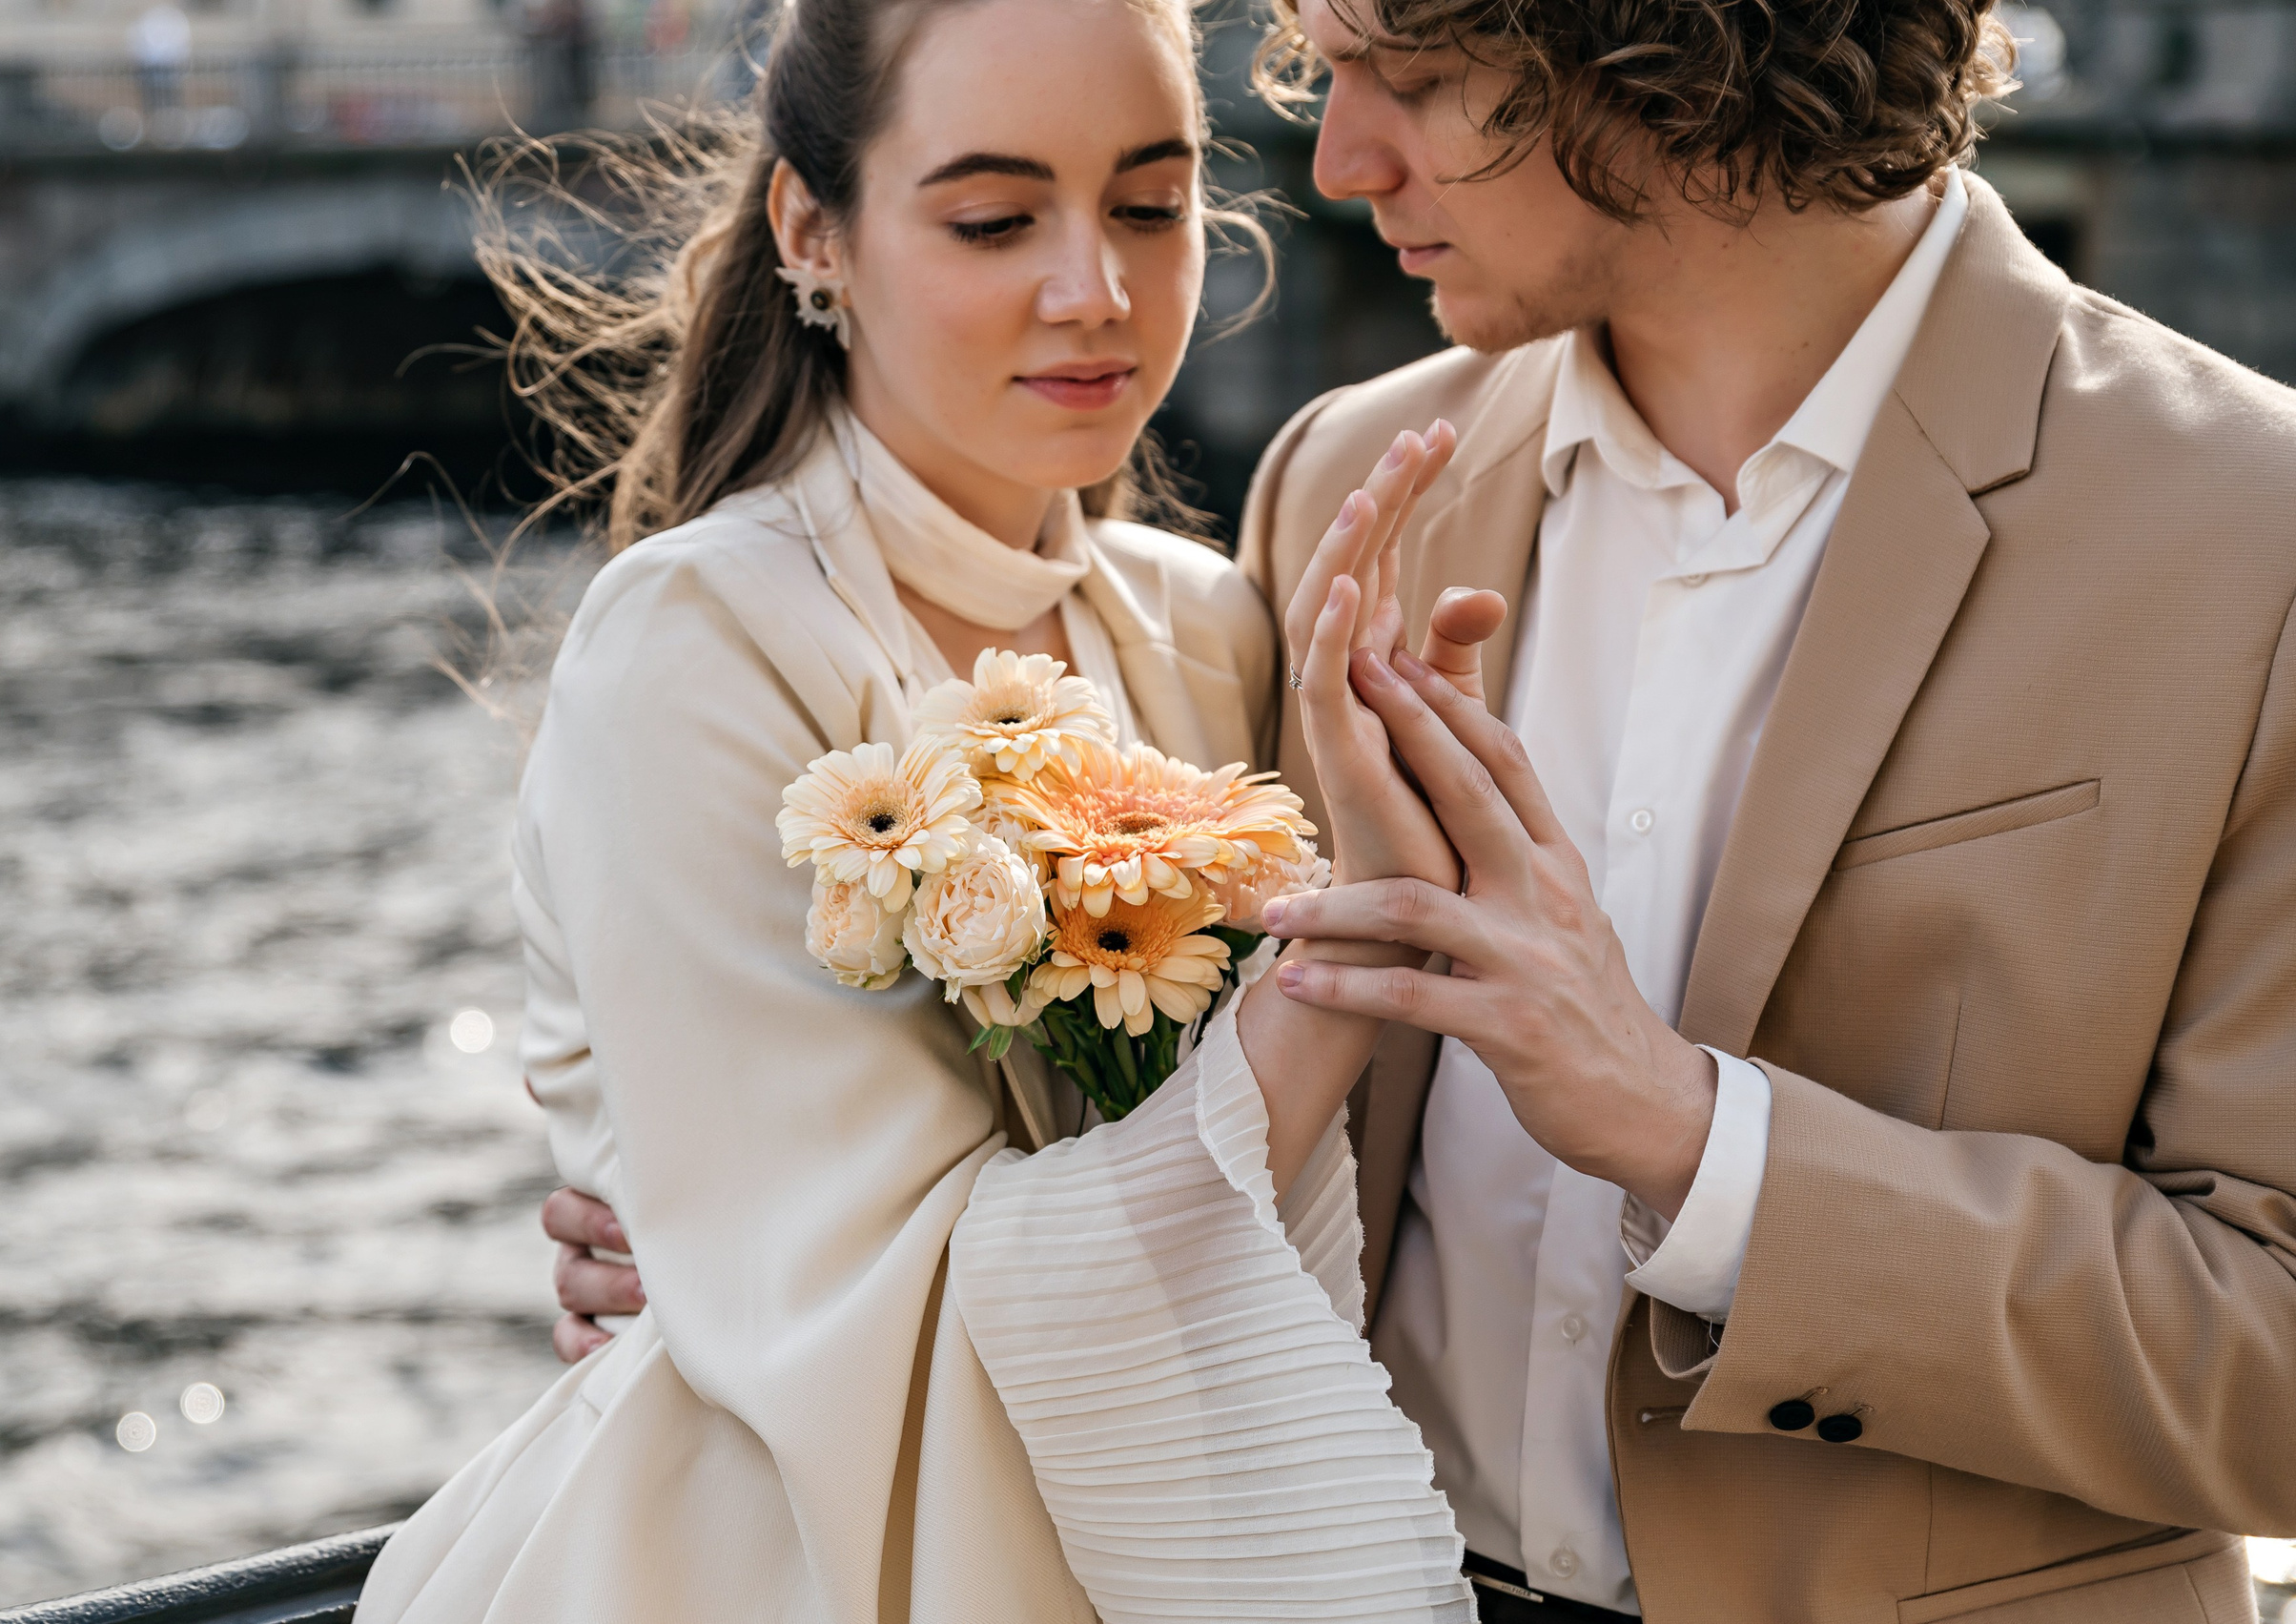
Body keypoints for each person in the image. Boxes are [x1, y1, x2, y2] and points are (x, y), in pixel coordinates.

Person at [554, 0, 2296, 1615]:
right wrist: (755, 1262)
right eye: (1325, 66)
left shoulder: (2244, 536)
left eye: (1414, 70)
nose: (1333, 161)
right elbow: (1187, 1111)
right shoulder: (1337, 493)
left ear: (1658, 39)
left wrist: (1702, 1146)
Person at [357, 0, 1512, 1616]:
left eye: (1151, 205)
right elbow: (849, 1322)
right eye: (992, 219)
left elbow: (1327, 1212)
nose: (1094, 293)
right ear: (810, 231)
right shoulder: (695, 645)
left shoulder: (1208, 626)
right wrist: (1352, 954)